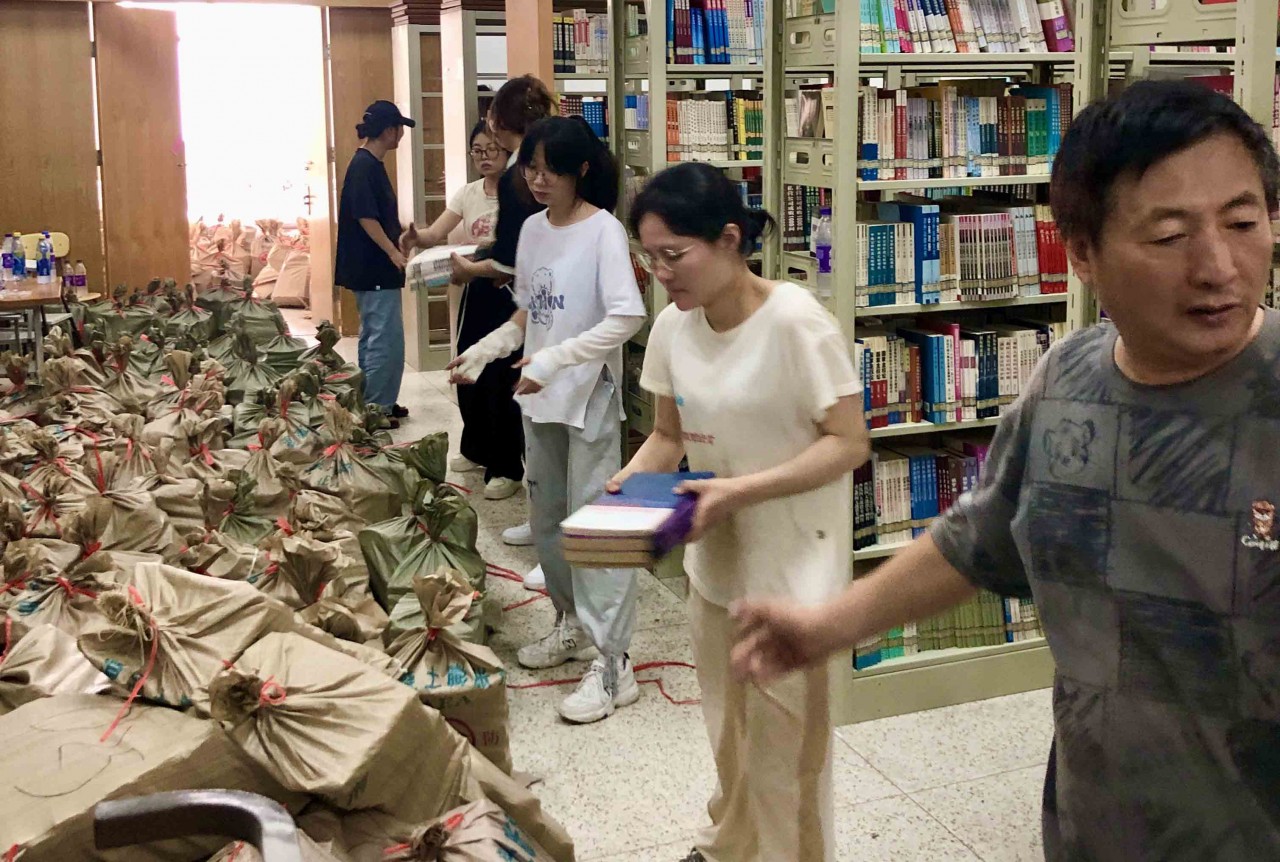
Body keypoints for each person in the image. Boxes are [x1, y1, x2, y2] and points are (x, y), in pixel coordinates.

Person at [732, 79, 1280, 861]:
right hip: (1097, 829)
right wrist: (827, 627)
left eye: (1243, 222)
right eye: (1168, 236)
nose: (1219, 266)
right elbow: (981, 538)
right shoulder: (1066, 383)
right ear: (1082, 253)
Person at [612, 163, 867, 862]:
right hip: (717, 568)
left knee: (788, 760)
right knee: (730, 741)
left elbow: (849, 444)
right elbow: (667, 435)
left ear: (729, 240)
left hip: (794, 573)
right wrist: (623, 492)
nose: (661, 272)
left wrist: (738, 491)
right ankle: (729, 846)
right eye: (649, 257)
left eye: (674, 254)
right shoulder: (673, 327)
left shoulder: (797, 323)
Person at [448, 116, 647, 724]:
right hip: (538, 397)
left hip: (586, 396)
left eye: (549, 170)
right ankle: (571, 625)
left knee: (596, 530)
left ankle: (614, 662)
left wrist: (558, 358)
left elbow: (626, 317)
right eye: (530, 168)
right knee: (550, 523)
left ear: (580, 170)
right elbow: (529, 313)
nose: (537, 180)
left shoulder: (604, 231)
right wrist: (487, 349)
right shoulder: (533, 228)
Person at [449, 75, 556, 578]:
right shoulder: (525, 191)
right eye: (534, 173)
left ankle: (560, 547)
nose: (539, 182)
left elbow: (516, 266)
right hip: (534, 316)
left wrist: (478, 269)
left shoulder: (525, 188)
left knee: (561, 443)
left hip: (561, 340)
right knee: (538, 430)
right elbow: (522, 274)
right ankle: (545, 523)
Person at [400, 120, 520, 500]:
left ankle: (506, 466)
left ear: (507, 151)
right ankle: (476, 447)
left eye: (491, 150)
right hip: (476, 287)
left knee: (501, 376)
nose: (484, 157)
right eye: (477, 151)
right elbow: (436, 234)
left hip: (511, 290)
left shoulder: (519, 192)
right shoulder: (468, 193)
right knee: (467, 366)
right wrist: (416, 238)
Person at [334, 99, 415, 424]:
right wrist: (392, 252)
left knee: (376, 335)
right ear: (388, 131)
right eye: (399, 129)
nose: (401, 136)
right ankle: (377, 407)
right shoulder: (364, 166)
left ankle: (378, 401)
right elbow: (366, 217)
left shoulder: (369, 164)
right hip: (374, 268)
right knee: (384, 338)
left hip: (372, 269)